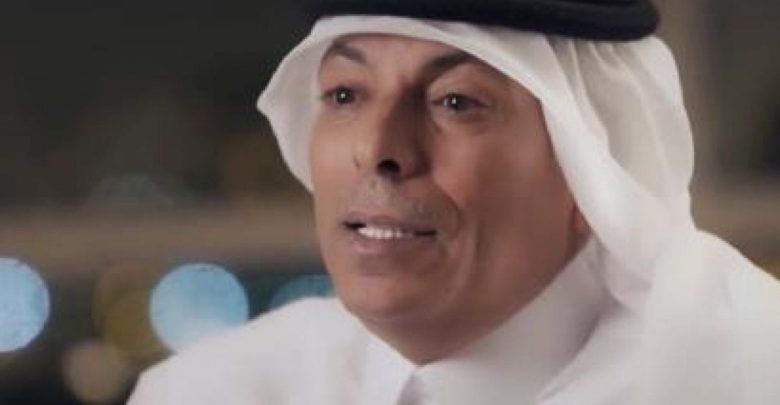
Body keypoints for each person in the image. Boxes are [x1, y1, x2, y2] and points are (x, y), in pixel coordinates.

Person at [128, 1, 780, 404]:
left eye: (456, 102)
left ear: (593, 162)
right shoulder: (212, 391)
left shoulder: (748, 376)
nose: (378, 149)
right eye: (346, 94)